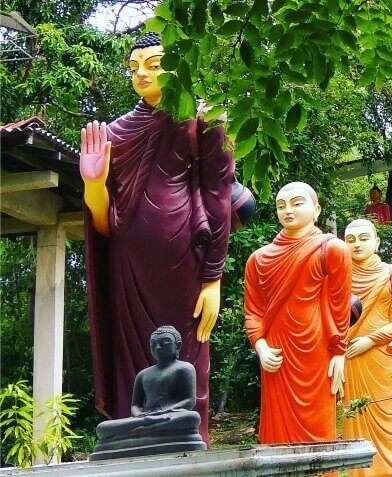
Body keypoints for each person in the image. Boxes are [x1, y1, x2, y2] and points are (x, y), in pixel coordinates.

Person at [82, 33, 233, 442]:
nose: (142, 73)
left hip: (184, 257)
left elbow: (218, 196)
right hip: (128, 262)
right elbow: (103, 225)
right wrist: (93, 183)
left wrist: (213, 277)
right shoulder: (115, 133)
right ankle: (132, 452)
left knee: (188, 359)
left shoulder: (205, 120)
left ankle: (188, 453)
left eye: (154, 63)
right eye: (134, 67)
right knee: (132, 369)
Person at [244, 182, 351, 443]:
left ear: (316, 210)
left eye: (296, 203)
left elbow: (340, 305)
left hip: (316, 348)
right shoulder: (258, 259)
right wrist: (260, 347)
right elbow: (253, 310)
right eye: (281, 206)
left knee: (319, 424)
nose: (288, 210)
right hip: (276, 351)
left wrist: (339, 352)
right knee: (278, 429)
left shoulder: (332, 249)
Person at [343, 218, 392, 477]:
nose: (357, 244)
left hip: (381, 358)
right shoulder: (338, 276)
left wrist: (370, 340)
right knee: (353, 417)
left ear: (377, 242)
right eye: (350, 239)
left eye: (363, 238)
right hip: (349, 355)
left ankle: (388, 472)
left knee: (386, 419)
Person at [91, 326, 205, 460]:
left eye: (164, 343)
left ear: (178, 345)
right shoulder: (143, 374)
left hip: (170, 415)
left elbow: (189, 401)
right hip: (145, 417)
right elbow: (135, 405)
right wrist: (141, 416)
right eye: (153, 344)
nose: (158, 347)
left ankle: (139, 432)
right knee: (102, 428)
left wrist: (165, 412)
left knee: (192, 418)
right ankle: (148, 427)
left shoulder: (185, 368)